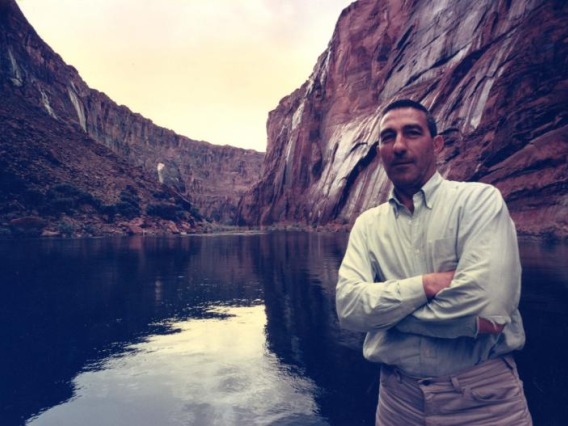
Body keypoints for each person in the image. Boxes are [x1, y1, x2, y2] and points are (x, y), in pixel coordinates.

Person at [335, 99, 532, 425]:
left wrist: (384, 316)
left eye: (412, 133)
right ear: (380, 150)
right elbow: (348, 308)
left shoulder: (479, 202)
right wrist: (427, 285)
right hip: (397, 404)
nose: (398, 145)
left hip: (483, 402)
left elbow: (489, 310)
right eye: (388, 137)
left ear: (436, 143)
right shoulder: (367, 225)